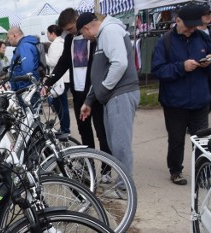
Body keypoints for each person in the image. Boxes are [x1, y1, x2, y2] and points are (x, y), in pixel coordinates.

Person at [152, 4, 211, 185]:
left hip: (200, 99)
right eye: (188, 27)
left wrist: (209, 63)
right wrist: (182, 67)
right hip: (174, 102)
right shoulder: (164, 41)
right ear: (177, 20)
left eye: (194, 27)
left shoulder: (202, 38)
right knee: (176, 140)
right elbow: (157, 70)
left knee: (202, 141)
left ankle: (204, 174)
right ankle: (175, 170)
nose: (190, 30)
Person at [78, 12, 140, 188]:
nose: (84, 37)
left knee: (120, 144)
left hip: (120, 94)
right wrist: (90, 100)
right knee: (114, 143)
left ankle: (123, 187)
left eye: (82, 34)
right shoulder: (102, 36)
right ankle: (121, 183)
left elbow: (120, 63)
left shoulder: (109, 31)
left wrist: (103, 89)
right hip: (112, 96)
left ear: (86, 28)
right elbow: (100, 74)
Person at [44, 8, 109, 163]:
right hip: (78, 93)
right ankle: (89, 165)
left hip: (95, 92)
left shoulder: (94, 36)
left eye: (71, 28)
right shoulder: (69, 40)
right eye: (67, 31)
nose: (71, 32)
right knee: (84, 132)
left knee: (102, 132)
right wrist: (48, 82)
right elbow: (63, 63)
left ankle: (107, 168)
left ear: (78, 20)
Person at [45, 25, 71, 135]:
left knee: (60, 105)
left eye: (47, 33)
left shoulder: (55, 45)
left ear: (52, 33)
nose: (47, 35)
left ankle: (65, 129)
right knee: (62, 104)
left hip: (60, 80)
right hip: (65, 78)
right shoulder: (62, 41)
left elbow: (53, 62)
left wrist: (44, 55)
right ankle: (65, 128)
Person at [7, 26, 40, 93]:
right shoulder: (23, 45)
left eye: (8, 37)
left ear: (14, 35)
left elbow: (28, 72)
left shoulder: (24, 46)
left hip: (25, 89)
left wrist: (22, 90)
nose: (8, 40)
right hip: (26, 88)